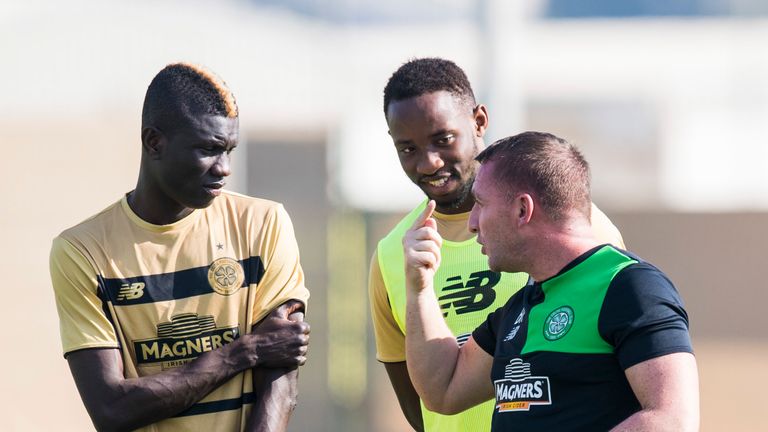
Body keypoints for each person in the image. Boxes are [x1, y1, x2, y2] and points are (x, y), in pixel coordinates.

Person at [49, 63, 310, 432]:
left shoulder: (263, 224)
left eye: (229, 150)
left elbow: (280, 378)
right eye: (209, 149)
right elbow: (111, 409)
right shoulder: (82, 251)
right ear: (154, 142)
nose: (225, 168)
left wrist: (260, 353)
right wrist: (243, 352)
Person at [370, 57, 625, 432]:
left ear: (479, 121)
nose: (428, 163)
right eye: (408, 148)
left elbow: (619, 360)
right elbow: (423, 406)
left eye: (443, 139)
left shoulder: (574, 225)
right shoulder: (394, 255)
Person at [403, 132, 699, 431]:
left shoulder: (629, 287)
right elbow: (444, 389)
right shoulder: (521, 305)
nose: (472, 222)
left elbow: (671, 420)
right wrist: (420, 288)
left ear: (522, 210)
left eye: (480, 203)